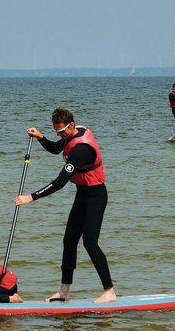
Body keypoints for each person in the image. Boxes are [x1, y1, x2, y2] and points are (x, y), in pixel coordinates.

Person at [14, 108, 117, 303]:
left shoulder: (81, 150)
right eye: (57, 133)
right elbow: (55, 149)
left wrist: (32, 197)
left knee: (89, 242)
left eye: (61, 132)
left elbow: (60, 182)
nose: (60, 136)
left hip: (96, 196)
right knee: (69, 240)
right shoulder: (72, 132)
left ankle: (109, 291)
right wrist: (41, 137)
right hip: (82, 193)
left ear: (71, 125)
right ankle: (64, 291)